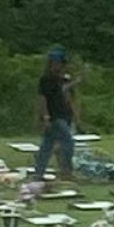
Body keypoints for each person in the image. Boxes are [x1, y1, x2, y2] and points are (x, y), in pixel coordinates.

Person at [33, 48, 79, 181]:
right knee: (68, 142)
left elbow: (66, 95)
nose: (60, 66)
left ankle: (39, 173)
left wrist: (74, 114)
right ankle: (66, 171)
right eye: (58, 63)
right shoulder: (46, 79)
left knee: (47, 145)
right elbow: (42, 99)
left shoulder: (61, 79)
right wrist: (45, 116)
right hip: (54, 116)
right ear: (52, 63)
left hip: (63, 115)